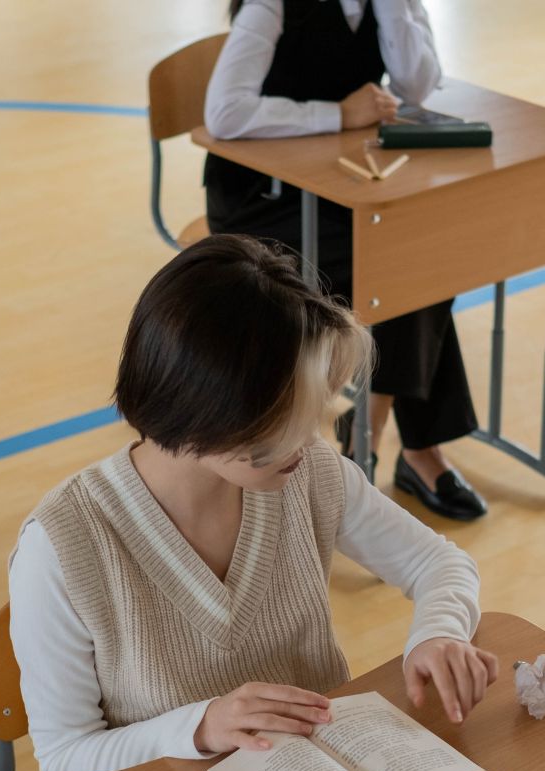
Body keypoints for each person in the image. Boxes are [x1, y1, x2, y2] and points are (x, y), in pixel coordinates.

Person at [10, 234, 495, 771]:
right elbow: (65, 761)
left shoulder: (306, 472)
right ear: (213, 412)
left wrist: (437, 633)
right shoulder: (63, 545)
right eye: (290, 422)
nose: (315, 438)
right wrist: (200, 727)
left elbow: (440, 564)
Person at [202, 0, 486, 521]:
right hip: (262, 199)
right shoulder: (270, 6)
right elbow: (224, 112)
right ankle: (412, 450)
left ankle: (367, 436)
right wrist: (338, 115)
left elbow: (418, 87)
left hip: (338, 183)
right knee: (405, 263)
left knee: (422, 252)